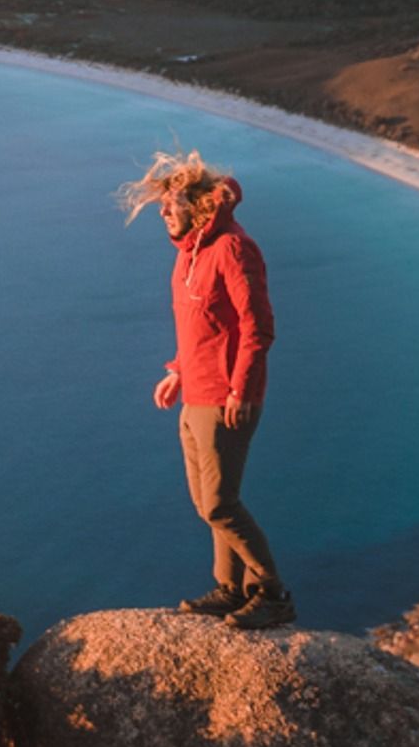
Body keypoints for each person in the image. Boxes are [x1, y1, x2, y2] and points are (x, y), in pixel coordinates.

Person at [119, 150, 295, 630]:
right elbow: (200, 326)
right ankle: (231, 588)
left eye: (172, 203)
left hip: (226, 399)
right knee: (207, 505)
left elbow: (258, 328)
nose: (163, 211)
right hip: (195, 391)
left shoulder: (235, 250)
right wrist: (177, 370)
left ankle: (272, 591)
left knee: (220, 502)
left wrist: (240, 390)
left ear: (198, 205)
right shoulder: (189, 256)